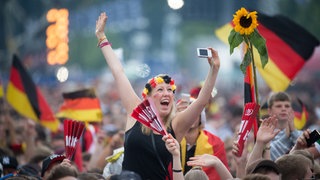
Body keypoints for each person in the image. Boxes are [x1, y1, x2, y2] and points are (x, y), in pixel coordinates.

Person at [95, 12, 220, 179]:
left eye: (170, 90)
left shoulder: (176, 125)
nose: (166, 93)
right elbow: (118, 72)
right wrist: (101, 37)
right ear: (148, 97)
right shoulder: (136, 111)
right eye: (160, 90)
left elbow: (201, 102)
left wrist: (214, 70)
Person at [176, 95, 228, 179]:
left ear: (201, 117)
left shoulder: (216, 143)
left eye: (194, 112)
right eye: (186, 112)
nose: (190, 116)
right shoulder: (169, 140)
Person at [267, 92, 302, 160]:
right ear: (269, 111)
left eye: (287, 106)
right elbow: (270, 155)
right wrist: (286, 137)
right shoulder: (265, 135)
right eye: (278, 106)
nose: (283, 109)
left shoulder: (301, 134)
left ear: (291, 110)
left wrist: (293, 132)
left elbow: (307, 153)